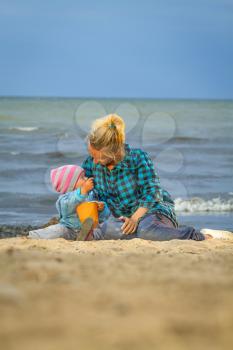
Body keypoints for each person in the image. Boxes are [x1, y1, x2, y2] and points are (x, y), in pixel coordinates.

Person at [81, 113, 232, 241]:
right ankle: (162, 232)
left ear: (112, 152)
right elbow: (84, 191)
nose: (94, 162)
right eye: (91, 155)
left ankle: (202, 235)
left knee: (146, 231)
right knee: (108, 232)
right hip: (122, 219)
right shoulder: (91, 164)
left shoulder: (137, 158)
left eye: (98, 157)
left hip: (152, 210)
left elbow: (153, 193)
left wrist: (135, 218)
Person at [28, 165, 110, 240]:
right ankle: (35, 235)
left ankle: (86, 236)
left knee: (99, 229)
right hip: (70, 229)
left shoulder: (90, 195)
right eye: (82, 177)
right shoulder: (64, 199)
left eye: (84, 176)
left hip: (89, 229)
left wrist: (101, 209)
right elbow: (69, 205)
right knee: (59, 230)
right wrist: (83, 191)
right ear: (70, 184)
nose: (86, 178)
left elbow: (101, 217)